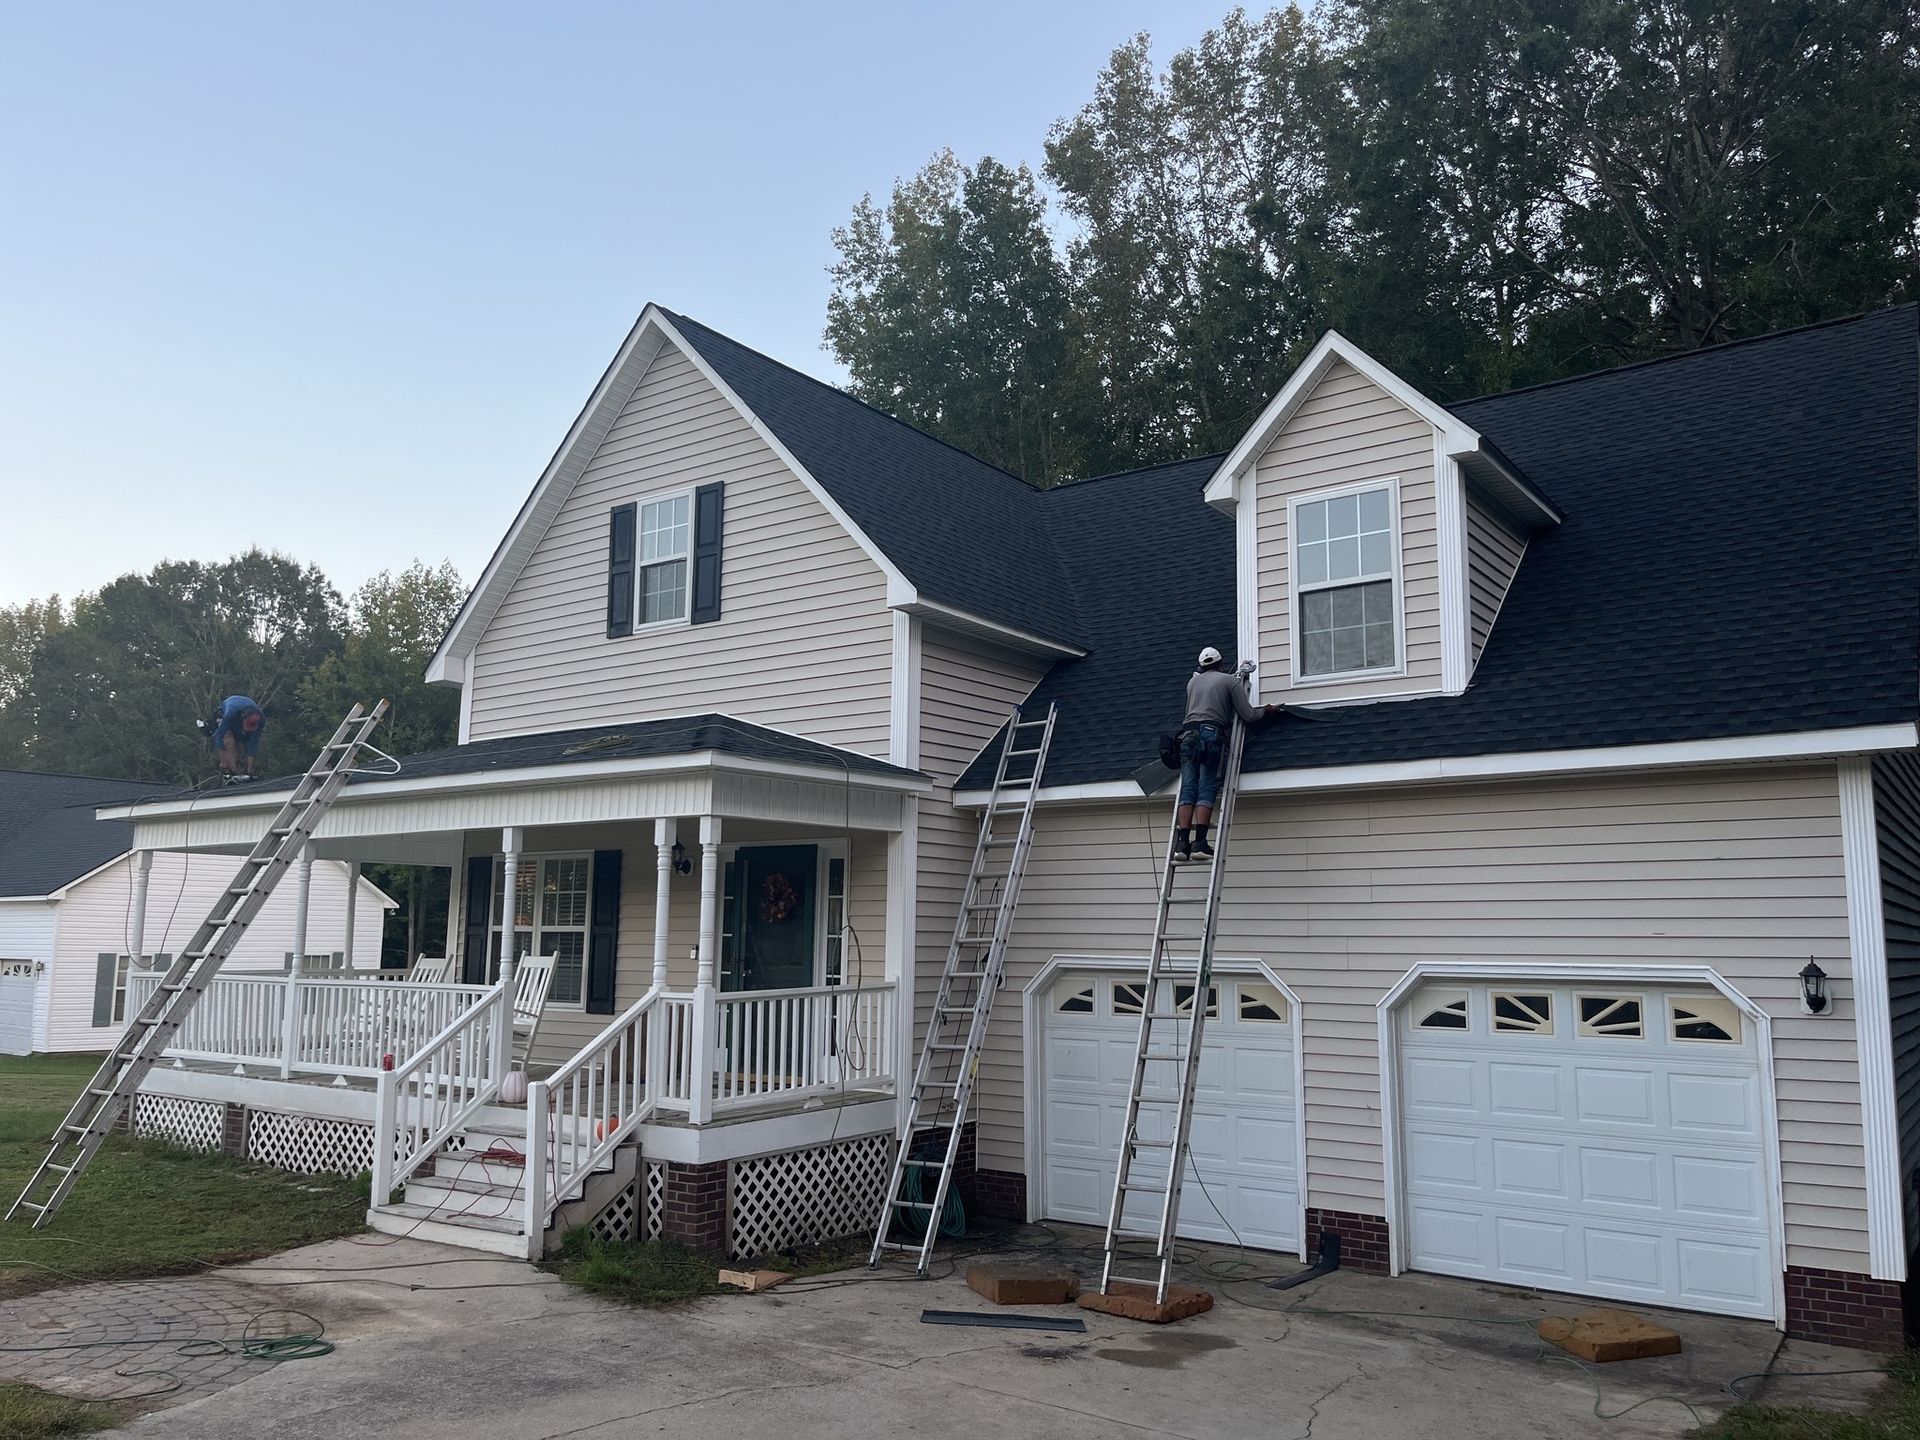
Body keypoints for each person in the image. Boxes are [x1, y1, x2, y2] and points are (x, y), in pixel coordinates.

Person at [1174, 647, 1275, 862]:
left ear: (1201, 665)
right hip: (1210, 735)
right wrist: (1265, 711)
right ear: (1220, 664)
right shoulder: (1230, 682)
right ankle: (1200, 843)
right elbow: (1247, 714)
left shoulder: (1192, 683)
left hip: (1187, 736)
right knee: (1207, 787)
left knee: (1188, 788)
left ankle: (1182, 844)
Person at [209, 695, 265, 780]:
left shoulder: (261, 719)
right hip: (226, 713)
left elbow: (254, 743)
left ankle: (246, 770)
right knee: (228, 738)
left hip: (240, 716)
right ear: (243, 718)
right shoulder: (230, 713)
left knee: (246, 741)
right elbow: (218, 736)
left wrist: (249, 770)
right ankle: (232, 771)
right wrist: (223, 761)